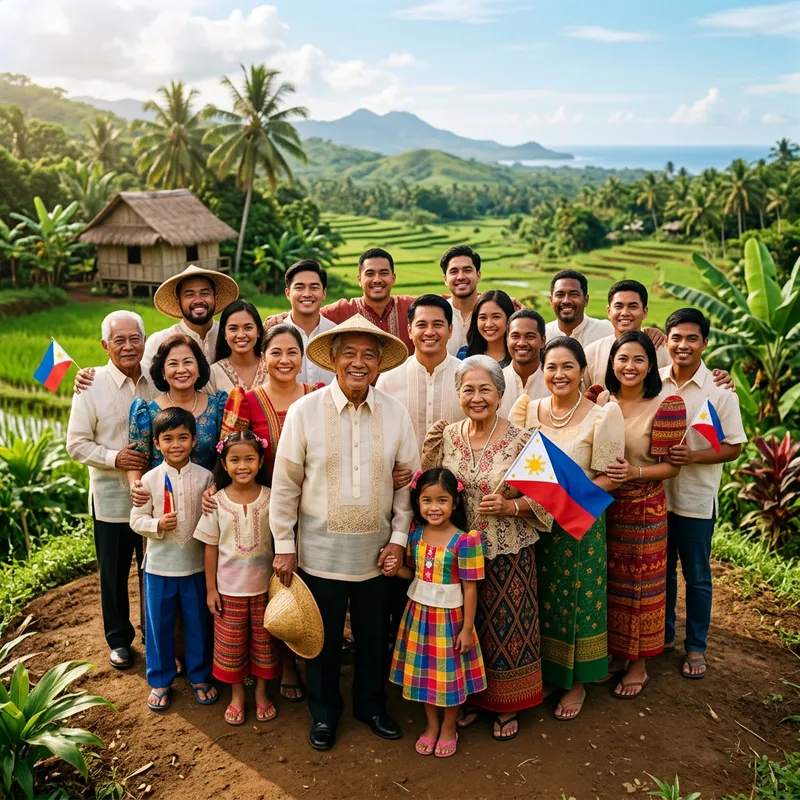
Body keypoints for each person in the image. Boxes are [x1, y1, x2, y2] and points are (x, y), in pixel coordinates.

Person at [269, 314, 420, 752]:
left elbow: (406, 484)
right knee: (322, 639)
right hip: (317, 551)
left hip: (376, 554)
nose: (359, 362)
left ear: (379, 364)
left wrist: (397, 539)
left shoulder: (394, 413)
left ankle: (371, 707)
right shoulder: (304, 411)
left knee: (374, 638)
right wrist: (283, 545)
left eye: (368, 355)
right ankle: (324, 714)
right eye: (349, 353)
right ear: (333, 359)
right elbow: (286, 484)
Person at [422, 355, 549, 741]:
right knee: (465, 627)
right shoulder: (447, 436)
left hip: (507, 551)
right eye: (468, 390)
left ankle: (508, 704)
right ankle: (470, 699)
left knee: (507, 625)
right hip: (458, 552)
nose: (477, 397)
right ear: (458, 394)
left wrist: (510, 506)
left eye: (485, 390)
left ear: (500, 393)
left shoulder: (523, 441)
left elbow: (547, 501)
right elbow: (431, 489)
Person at [508, 337, 624, 721]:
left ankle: (576, 682)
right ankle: (545, 674)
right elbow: (516, 467)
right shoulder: (526, 410)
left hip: (578, 524)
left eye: (568, 367)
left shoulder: (602, 415)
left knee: (577, 601)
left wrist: (567, 502)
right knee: (538, 598)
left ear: (582, 371)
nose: (559, 374)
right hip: (531, 522)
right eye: (552, 367)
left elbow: (610, 476)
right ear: (543, 370)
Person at [589, 331, 686, 699]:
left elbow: (671, 468)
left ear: (650, 366)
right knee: (609, 583)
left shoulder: (667, 405)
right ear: (612, 362)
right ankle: (615, 654)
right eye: (622, 359)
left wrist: (635, 473)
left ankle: (639, 663)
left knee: (641, 590)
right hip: (603, 506)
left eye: (638, 360)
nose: (629, 367)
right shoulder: (599, 398)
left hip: (644, 508)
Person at [66, 310, 156, 670]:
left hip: (155, 500)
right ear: (105, 345)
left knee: (154, 569)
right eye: (118, 340)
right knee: (114, 574)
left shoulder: (157, 380)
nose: (128, 346)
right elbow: (76, 444)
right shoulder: (90, 385)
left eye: (134, 338)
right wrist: (114, 458)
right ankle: (119, 639)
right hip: (111, 500)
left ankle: (156, 633)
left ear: (144, 341)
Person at [661, 308, 747, 679]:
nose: (683, 345)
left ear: (704, 343)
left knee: (696, 576)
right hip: (655, 498)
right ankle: (662, 637)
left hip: (696, 499)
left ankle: (695, 646)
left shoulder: (720, 391)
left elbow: (734, 446)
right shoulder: (655, 382)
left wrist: (693, 456)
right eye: (676, 337)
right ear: (667, 341)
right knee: (659, 573)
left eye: (691, 338)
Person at [387, 468, 487, 759]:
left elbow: (470, 589)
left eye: (442, 500)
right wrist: (395, 570)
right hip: (418, 618)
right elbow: (412, 573)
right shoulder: (415, 535)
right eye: (426, 500)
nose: (434, 508)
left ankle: (448, 726)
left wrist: (467, 628)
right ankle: (431, 725)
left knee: (448, 678)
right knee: (424, 677)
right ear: (417, 502)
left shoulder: (466, 541)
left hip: (450, 622)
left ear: (454, 503)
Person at [129, 408, 217, 710]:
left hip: (195, 568)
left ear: (194, 441)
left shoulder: (206, 478)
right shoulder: (149, 480)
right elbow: (136, 520)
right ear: (156, 443)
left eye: (183, 437)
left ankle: (200, 676)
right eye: (168, 439)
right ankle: (161, 679)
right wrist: (156, 525)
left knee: (197, 625)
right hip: (158, 569)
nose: (176, 444)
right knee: (159, 627)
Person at [195, 430, 280, 725]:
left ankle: (260, 693)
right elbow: (209, 548)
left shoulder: (271, 499)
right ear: (224, 463)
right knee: (230, 647)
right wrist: (211, 590)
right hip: (228, 590)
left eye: (249, 459)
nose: (242, 466)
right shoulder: (216, 502)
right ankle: (237, 696)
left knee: (264, 643)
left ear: (260, 462)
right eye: (235, 460)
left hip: (265, 590)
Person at [72, 265, 239, 392]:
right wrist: (91, 375)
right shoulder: (161, 341)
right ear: (178, 300)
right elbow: (132, 373)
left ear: (214, 296)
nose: (198, 300)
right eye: (189, 294)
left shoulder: (230, 336)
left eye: (204, 293)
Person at [219, 325, 321, 478]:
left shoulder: (317, 397)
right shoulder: (246, 402)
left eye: (292, 352)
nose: (285, 360)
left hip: (316, 494)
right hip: (266, 496)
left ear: (302, 358)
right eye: (276, 353)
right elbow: (230, 456)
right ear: (263, 359)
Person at [128, 335, 227, 478]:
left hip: (209, 495)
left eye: (188, 362)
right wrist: (135, 487)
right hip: (163, 495)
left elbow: (229, 455)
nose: (181, 370)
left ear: (199, 368)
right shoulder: (147, 413)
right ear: (162, 371)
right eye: (173, 364)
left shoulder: (218, 407)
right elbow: (137, 461)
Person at [376, 294, 465, 454]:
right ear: (410, 331)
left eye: (437, 324)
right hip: (403, 477)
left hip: (456, 477)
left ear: (450, 330)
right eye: (422, 325)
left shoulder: (467, 377)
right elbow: (377, 436)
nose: (429, 332)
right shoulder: (389, 380)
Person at [583, 280, 671, 389]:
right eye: (618, 306)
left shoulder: (662, 349)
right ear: (609, 311)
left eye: (632, 306)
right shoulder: (591, 353)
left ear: (644, 312)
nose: (625, 313)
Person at [284, 259, 336, 386]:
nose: (307, 294)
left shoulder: (335, 334)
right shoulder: (275, 334)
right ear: (288, 293)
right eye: (299, 287)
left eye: (314, 287)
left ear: (324, 293)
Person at [206, 300, 268, 394]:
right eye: (233, 329)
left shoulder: (271, 367)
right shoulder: (213, 374)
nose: (241, 335)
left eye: (248, 328)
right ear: (224, 334)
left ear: (258, 331)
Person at [498, 309, 547, 418]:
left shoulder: (554, 382)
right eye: (515, 336)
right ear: (507, 340)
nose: (521, 343)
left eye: (530, 336)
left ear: (542, 341)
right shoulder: (495, 382)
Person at [545, 270, 614, 346]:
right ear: (551, 301)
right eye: (560, 295)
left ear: (586, 300)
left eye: (574, 294)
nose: (566, 301)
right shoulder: (543, 334)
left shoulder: (607, 331)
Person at [441, 245, 482, 356]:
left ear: (478, 275)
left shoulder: (492, 312)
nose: (460, 277)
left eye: (467, 270)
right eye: (454, 271)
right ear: (445, 279)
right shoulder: (438, 314)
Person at [457, 290, 514, 366]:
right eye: (483, 317)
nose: (489, 324)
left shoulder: (519, 357)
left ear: (509, 318)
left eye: (496, 317)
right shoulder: (464, 356)